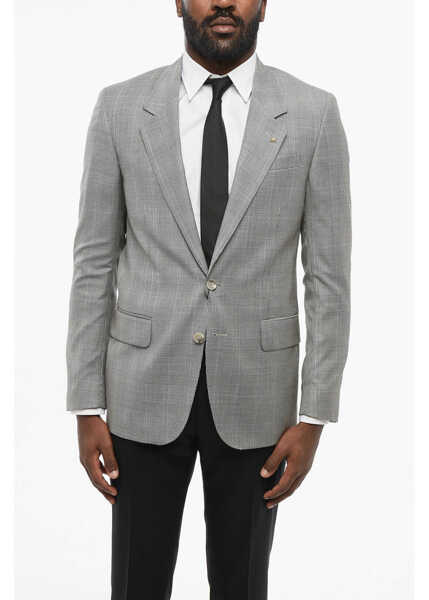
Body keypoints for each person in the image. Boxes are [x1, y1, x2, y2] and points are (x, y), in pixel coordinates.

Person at [66, 1, 351, 598]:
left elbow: (327, 277)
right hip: (141, 389)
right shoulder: (120, 107)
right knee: (137, 584)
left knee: (241, 585)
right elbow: (94, 263)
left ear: (265, 4)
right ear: (177, 2)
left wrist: (314, 416)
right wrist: (86, 403)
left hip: (259, 398)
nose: (224, 2)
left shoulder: (313, 113)